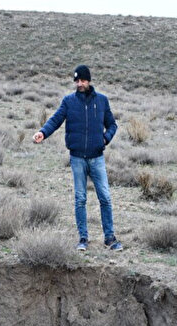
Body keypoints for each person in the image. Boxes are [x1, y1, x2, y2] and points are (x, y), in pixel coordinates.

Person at [33, 65, 122, 251]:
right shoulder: (69, 102)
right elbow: (55, 120)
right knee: (80, 199)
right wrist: (43, 133)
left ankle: (110, 238)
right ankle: (83, 239)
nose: (79, 84)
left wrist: (105, 139)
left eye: (82, 80)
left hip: (97, 157)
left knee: (105, 197)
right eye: (77, 81)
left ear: (88, 80)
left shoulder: (102, 101)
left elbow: (112, 125)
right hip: (77, 158)